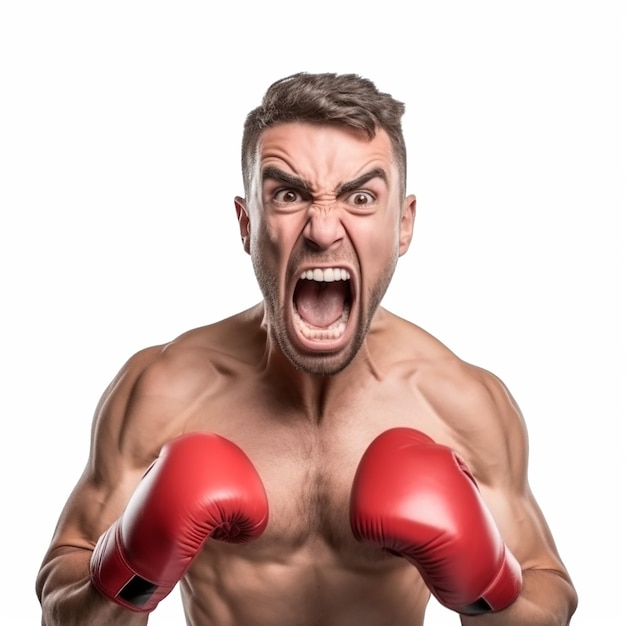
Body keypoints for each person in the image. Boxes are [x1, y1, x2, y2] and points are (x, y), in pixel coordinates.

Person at [36, 72, 578, 625]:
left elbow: (550, 600)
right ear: (247, 223)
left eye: (361, 197)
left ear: (404, 226)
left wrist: (480, 580)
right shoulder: (164, 390)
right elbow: (62, 609)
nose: (323, 230)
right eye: (288, 195)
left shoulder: (460, 403)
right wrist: (135, 565)